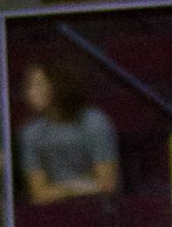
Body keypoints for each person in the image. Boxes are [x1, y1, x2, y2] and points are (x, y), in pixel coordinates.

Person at [18, 62, 119, 205]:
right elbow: (38, 193)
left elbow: (106, 184)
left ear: (60, 85)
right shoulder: (30, 132)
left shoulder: (94, 122)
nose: (30, 92)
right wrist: (78, 188)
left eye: (39, 84)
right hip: (51, 213)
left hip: (96, 208)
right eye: (29, 86)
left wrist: (57, 191)